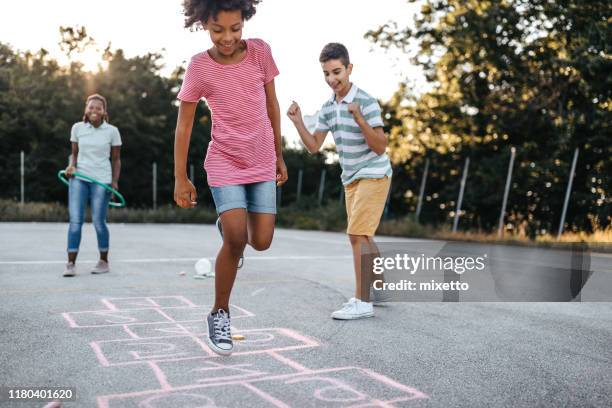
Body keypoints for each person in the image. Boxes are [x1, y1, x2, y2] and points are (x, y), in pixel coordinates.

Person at [174, 0, 288, 355]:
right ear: (204, 23)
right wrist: (180, 176)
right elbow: (185, 125)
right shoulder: (199, 67)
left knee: (262, 240)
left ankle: (230, 230)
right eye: (217, 30)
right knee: (237, 238)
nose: (227, 37)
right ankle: (219, 313)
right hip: (224, 160)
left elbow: (272, 106)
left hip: (261, 158)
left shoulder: (260, 53)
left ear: (245, 21)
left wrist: (279, 154)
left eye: (235, 28)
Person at [287, 43, 392, 320]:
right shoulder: (327, 108)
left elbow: (380, 146)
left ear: (349, 69)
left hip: (374, 172)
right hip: (351, 178)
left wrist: (359, 117)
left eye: (337, 72)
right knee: (364, 234)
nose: (332, 79)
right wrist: (298, 122)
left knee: (356, 234)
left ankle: (362, 301)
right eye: (326, 74)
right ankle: (379, 289)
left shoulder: (366, 101)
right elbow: (314, 146)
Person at [64, 94, 122, 277]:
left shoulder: (112, 131)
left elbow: (116, 160)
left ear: (104, 111)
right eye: (91, 107)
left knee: (98, 221)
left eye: (98, 108)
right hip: (79, 178)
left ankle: (103, 261)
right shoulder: (77, 128)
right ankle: (70, 264)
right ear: (86, 109)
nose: (94, 111)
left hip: (102, 180)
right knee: (75, 222)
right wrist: (71, 166)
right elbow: (74, 154)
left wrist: (114, 182)